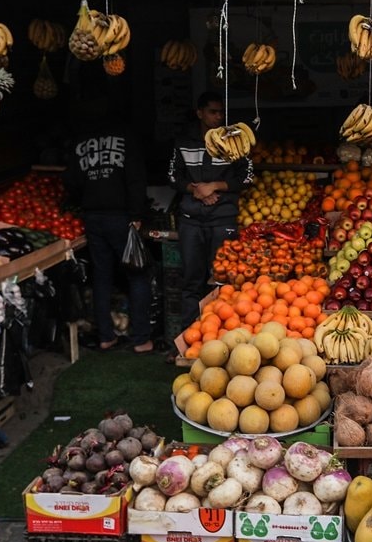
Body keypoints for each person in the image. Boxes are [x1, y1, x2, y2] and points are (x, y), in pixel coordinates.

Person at [64, 97, 154, 354]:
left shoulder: (81, 141)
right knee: (137, 274)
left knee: (101, 276)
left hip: (93, 217)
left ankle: (105, 336)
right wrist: (137, 214)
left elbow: (71, 180)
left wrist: (87, 196)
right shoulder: (126, 136)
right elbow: (136, 177)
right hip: (122, 216)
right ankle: (141, 340)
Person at [169, 92, 253, 327]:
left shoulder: (234, 141)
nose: (218, 117)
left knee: (223, 279)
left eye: (221, 112)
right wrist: (195, 190)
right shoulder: (184, 141)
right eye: (212, 112)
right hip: (191, 219)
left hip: (222, 218)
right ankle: (187, 338)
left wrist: (215, 186)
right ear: (200, 113)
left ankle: (222, 335)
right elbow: (173, 176)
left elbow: (247, 177)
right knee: (191, 280)